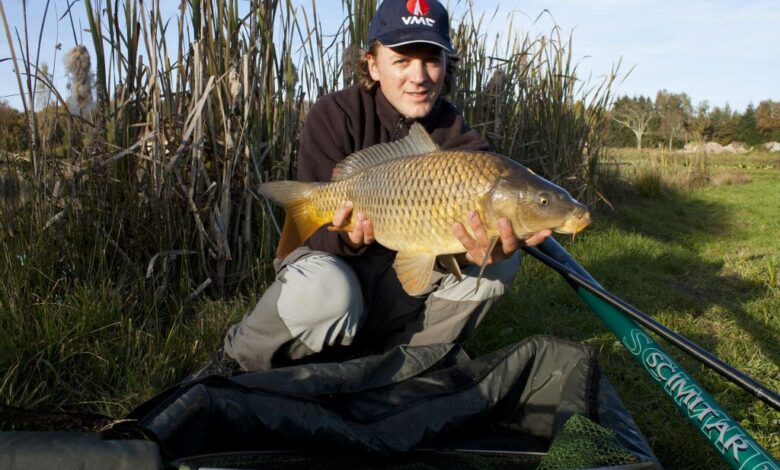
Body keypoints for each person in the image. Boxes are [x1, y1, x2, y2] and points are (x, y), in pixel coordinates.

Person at [193, 0, 551, 377]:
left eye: (431, 60)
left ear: (447, 67)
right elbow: (310, 242)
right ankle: (233, 362)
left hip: (399, 287)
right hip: (338, 270)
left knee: (502, 261)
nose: (419, 76)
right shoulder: (333, 115)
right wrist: (348, 238)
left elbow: (449, 249)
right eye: (401, 60)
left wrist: (475, 253)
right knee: (327, 290)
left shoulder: (459, 139)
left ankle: (409, 364)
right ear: (372, 65)